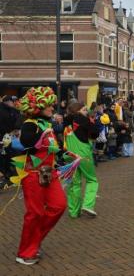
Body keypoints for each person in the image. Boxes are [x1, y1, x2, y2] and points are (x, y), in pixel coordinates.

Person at [15, 87, 66, 265]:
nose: (53, 108)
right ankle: (25, 252)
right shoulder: (30, 124)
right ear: (38, 107)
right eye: (49, 106)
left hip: (50, 174)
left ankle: (34, 241)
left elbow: (53, 149)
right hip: (33, 175)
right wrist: (41, 135)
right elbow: (26, 143)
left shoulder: (47, 124)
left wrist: (66, 154)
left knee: (59, 206)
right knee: (35, 213)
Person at [64, 102, 100, 218]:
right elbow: (95, 133)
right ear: (78, 111)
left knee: (75, 183)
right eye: (84, 109)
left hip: (69, 155)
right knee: (92, 180)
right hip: (83, 154)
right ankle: (88, 205)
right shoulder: (82, 119)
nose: (87, 111)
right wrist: (91, 120)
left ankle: (74, 211)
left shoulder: (66, 120)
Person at [0, 95, 21, 184]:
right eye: (13, 101)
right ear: (8, 101)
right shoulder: (8, 110)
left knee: (9, 156)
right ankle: (8, 175)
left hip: (9, 137)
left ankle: (9, 175)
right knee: (8, 156)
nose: (15, 103)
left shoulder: (13, 110)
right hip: (6, 136)